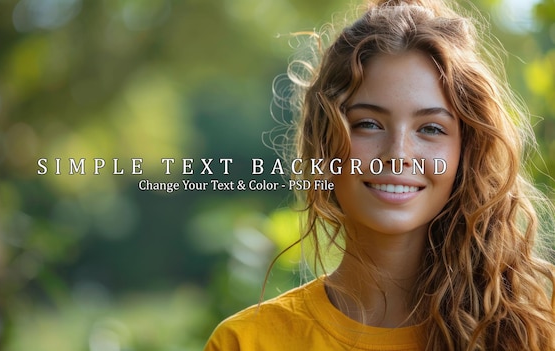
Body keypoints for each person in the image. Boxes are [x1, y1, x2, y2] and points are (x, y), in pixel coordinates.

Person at [204, 0, 555, 349]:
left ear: (467, 151)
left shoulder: (535, 330)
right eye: (368, 124)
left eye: (431, 129)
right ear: (324, 142)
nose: (398, 154)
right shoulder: (246, 341)